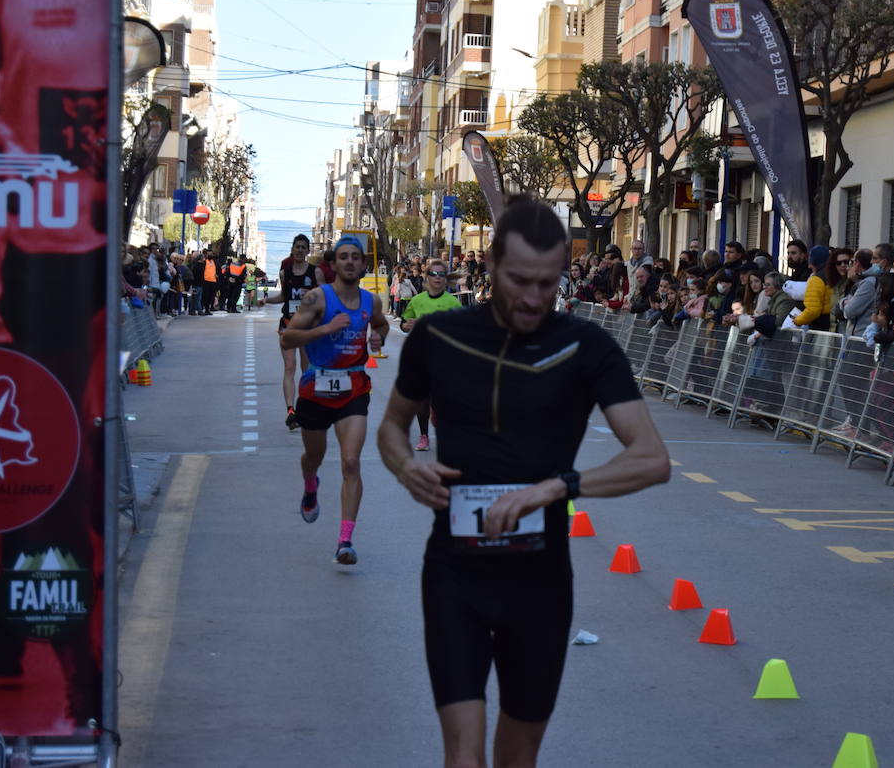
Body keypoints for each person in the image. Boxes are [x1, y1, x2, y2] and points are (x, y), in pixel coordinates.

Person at [376, 199, 670, 768]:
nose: (535, 298)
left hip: (538, 582)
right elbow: (390, 426)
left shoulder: (587, 348)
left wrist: (558, 487)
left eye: (548, 282)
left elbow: (652, 458)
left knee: (517, 758)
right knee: (464, 758)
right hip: (455, 574)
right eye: (519, 281)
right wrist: (405, 466)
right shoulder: (437, 337)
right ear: (489, 265)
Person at [281, 235, 390, 565]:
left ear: (362, 263)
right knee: (314, 456)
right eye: (343, 257)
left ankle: (345, 540)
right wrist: (324, 330)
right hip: (316, 388)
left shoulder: (372, 302)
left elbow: (382, 326)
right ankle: (310, 483)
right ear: (334, 263)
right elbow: (288, 336)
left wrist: (377, 337)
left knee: (351, 462)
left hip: (354, 389)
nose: (349, 262)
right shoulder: (318, 298)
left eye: (355, 257)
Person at [400, 259, 465, 450]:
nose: (437, 278)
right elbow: (404, 323)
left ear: (446, 279)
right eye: (433, 274)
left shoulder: (452, 302)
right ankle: (424, 436)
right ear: (427, 277)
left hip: (445, 359)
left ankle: (438, 413)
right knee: (422, 400)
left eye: (442, 274)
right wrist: (406, 325)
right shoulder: (417, 300)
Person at [266, 234, 326, 430]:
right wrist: (265, 300)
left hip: (308, 326)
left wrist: (311, 296)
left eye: (303, 247)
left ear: (308, 251)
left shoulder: (315, 273)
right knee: (289, 367)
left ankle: (305, 407)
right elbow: (283, 296)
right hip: (288, 324)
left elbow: (326, 299)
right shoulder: (285, 273)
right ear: (292, 249)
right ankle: (290, 410)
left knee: (307, 371)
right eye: (297, 247)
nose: (299, 250)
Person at [791, 246, 834, 331]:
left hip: (819, 326)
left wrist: (797, 320)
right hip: (833, 322)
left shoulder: (816, 279)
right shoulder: (833, 276)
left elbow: (812, 310)